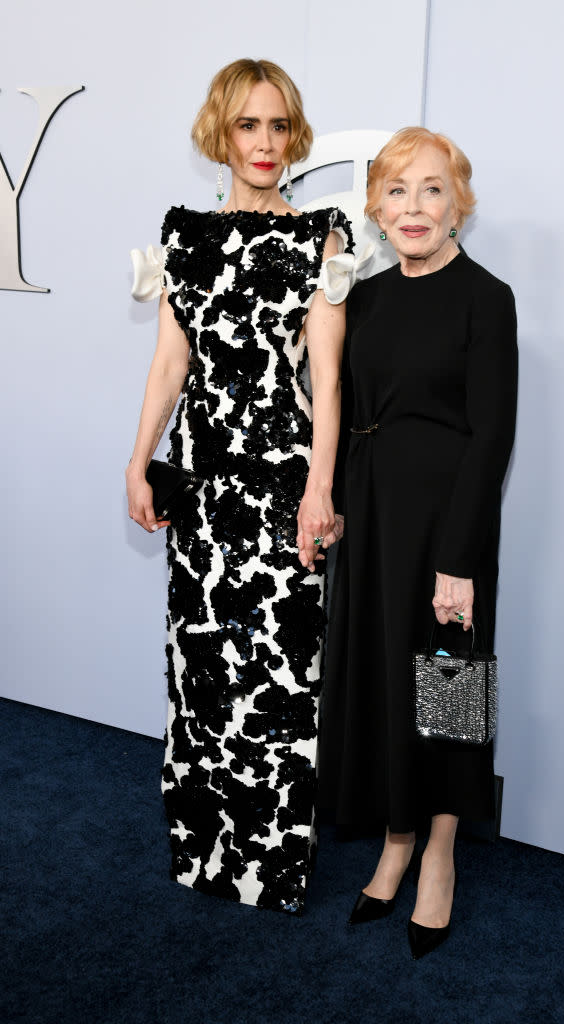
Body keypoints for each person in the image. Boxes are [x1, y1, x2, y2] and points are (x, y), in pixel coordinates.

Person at [126, 58, 354, 914]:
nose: (264, 143)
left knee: (279, 673)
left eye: (279, 126)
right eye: (248, 125)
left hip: (282, 484)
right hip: (202, 481)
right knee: (200, 667)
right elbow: (168, 365)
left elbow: (325, 382)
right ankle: (203, 852)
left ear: (293, 137)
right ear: (219, 132)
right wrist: (138, 457)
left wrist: (318, 489)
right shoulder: (183, 234)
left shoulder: (319, 236)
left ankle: (269, 867)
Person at [319, 127, 518, 957]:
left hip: (447, 521)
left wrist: (457, 560)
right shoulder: (364, 297)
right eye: (396, 191)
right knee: (381, 681)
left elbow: (492, 435)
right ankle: (396, 836)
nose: (413, 207)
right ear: (374, 206)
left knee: (448, 690)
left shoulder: (486, 296)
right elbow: (334, 397)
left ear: (457, 206)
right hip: (369, 515)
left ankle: (438, 850)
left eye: (432, 190)